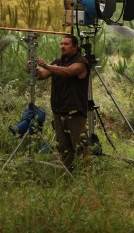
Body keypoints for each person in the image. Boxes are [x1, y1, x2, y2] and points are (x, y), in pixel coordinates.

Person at [35, 34, 90, 170]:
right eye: (61, 44)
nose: (62, 46)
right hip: (58, 110)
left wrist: (47, 65)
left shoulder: (81, 62)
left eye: (66, 44)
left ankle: (87, 177)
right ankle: (68, 174)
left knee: (80, 146)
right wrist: (32, 69)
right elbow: (41, 75)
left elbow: (68, 72)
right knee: (64, 147)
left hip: (74, 112)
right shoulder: (58, 62)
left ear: (75, 47)